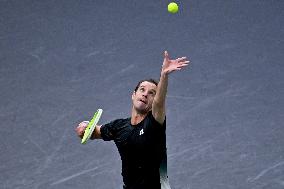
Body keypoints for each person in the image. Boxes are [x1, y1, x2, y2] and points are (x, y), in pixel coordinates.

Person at [76, 51, 190, 189]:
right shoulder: (119, 127)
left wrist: (164, 75)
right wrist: (85, 127)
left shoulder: (154, 124)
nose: (145, 94)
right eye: (142, 90)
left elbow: (159, 104)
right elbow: (95, 132)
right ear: (133, 95)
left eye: (152, 93)